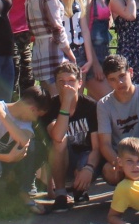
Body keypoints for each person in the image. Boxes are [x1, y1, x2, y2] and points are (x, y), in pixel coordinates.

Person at [0, 87, 58, 213]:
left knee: (37, 148)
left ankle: (22, 192)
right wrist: (6, 158)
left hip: (9, 161)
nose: (36, 121)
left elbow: (25, 142)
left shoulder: (23, 121)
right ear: (33, 109)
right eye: (37, 116)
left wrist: (3, 116)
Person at [93, 54, 139, 185]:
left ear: (131, 72)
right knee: (108, 171)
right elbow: (104, 144)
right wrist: (118, 162)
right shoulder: (103, 105)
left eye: (122, 76)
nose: (119, 83)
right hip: (121, 155)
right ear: (107, 81)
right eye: (113, 79)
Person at [43, 61, 102, 206]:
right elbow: (56, 136)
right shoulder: (50, 106)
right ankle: (61, 193)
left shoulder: (90, 106)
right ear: (55, 84)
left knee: (85, 159)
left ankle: (80, 188)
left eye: (71, 81)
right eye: (61, 81)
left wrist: (88, 168)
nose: (66, 85)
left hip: (85, 157)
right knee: (60, 141)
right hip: (60, 159)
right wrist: (66, 103)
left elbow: (96, 147)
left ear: (80, 83)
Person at [26, 0, 74, 93]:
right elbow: (57, 29)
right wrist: (71, 55)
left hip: (40, 53)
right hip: (54, 55)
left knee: (49, 99)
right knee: (59, 99)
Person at [81, 0, 115, 101]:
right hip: (90, 56)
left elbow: (108, 24)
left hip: (104, 53)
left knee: (96, 105)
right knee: (110, 99)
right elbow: (85, 31)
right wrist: (94, 64)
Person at [7, 0, 37, 94]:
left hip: (27, 32)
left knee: (28, 69)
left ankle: (29, 103)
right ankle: (12, 101)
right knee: (15, 68)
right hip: (13, 33)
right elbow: (4, 9)